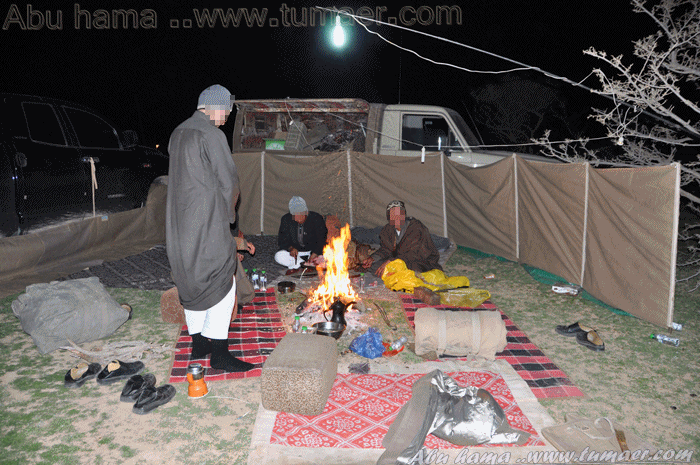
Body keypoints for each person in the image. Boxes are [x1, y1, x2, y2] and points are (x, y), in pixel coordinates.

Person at [166, 84, 254, 373]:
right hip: (206, 220)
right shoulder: (211, 134)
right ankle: (219, 354)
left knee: (189, 277)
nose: (226, 117)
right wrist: (228, 216)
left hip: (179, 221)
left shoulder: (178, 132)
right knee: (222, 278)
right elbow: (229, 180)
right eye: (226, 111)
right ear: (215, 107)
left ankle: (199, 343)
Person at [363, 200, 442, 277]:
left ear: (404, 215)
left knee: (413, 269)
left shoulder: (416, 227)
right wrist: (373, 258)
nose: (396, 218)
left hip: (419, 260)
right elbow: (386, 249)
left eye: (399, 214)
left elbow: (413, 254)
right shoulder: (387, 229)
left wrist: (391, 261)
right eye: (393, 215)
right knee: (374, 266)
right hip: (398, 259)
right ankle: (394, 273)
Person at [275, 196, 327, 271]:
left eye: (300, 215)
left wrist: (315, 253)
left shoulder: (316, 218)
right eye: (295, 216)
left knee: (332, 253)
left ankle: (303, 265)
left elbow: (322, 238)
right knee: (279, 256)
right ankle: (303, 264)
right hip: (296, 254)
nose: (297, 219)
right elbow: (282, 240)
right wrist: (291, 248)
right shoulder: (286, 219)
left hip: (314, 252)